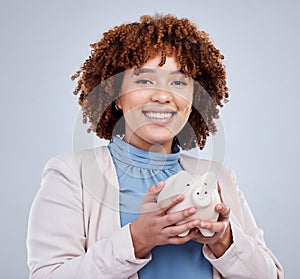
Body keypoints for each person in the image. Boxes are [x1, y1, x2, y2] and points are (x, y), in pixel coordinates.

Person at [26, 14, 283, 278]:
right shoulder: (72, 174)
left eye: (179, 82)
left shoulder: (219, 177)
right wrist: (138, 239)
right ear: (116, 96)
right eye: (144, 81)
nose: (162, 96)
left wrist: (223, 240)